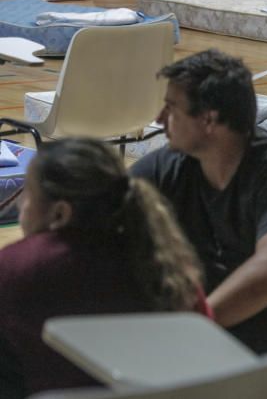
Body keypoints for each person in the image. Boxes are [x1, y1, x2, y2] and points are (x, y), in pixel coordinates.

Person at [132, 50, 267, 355]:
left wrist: (195, 325)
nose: (159, 118)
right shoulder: (172, 164)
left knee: (260, 319)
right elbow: (105, 209)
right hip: (211, 285)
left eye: (171, 107)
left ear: (209, 119)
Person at [0, 138, 209, 398]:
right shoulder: (164, 259)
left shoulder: (18, 266)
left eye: (27, 195)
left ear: (60, 214)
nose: (19, 205)